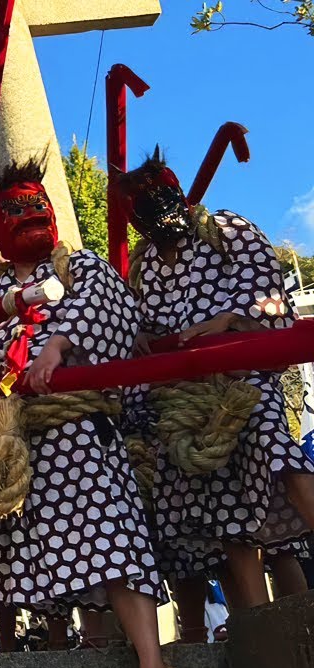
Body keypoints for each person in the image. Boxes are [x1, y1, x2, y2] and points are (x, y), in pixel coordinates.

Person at [0, 156, 185, 668]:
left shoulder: (82, 268)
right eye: (12, 208)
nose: (26, 215)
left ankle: (151, 665)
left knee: (109, 537)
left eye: (33, 204)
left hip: (72, 424)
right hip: (2, 428)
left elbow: (107, 309)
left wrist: (57, 347)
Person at [116, 151, 314, 612]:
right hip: (183, 397)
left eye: (161, 194)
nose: (157, 207)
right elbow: (139, 323)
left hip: (239, 378)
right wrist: (140, 333)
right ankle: (255, 620)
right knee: (220, 505)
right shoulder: (142, 268)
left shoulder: (226, 229)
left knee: (275, 450)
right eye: (143, 203)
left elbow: (265, 284)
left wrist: (232, 318)